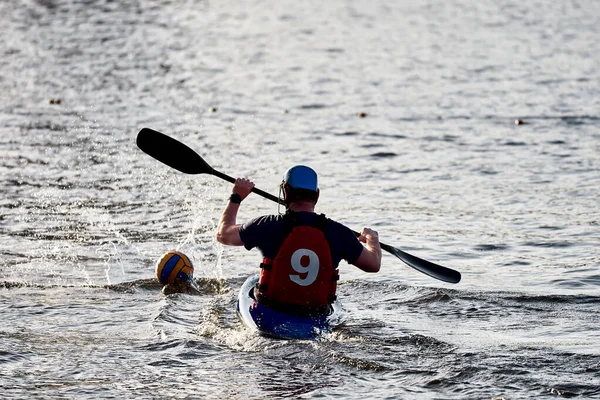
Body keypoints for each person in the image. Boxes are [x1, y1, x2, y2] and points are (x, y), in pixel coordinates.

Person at [216, 165, 381, 316]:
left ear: (285, 193)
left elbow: (223, 234)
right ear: (317, 195)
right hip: (315, 315)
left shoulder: (268, 225)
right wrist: (372, 239)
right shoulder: (338, 232)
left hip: (271, 309)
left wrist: (236, 196)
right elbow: (373, 264)